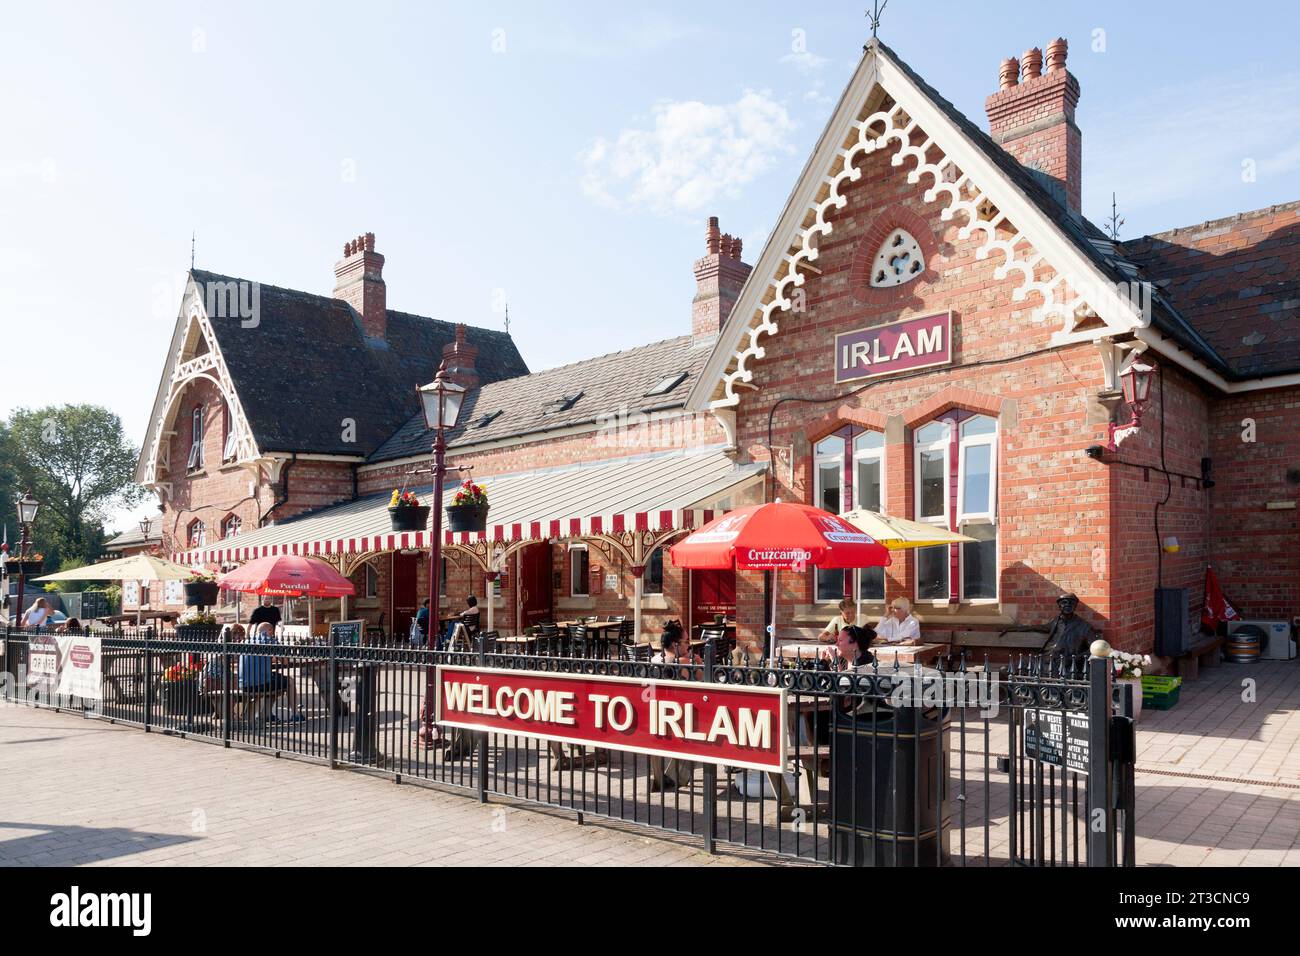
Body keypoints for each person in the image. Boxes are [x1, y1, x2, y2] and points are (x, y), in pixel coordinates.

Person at [238, 622, 303, 722]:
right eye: (272, 632)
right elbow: (285, 661)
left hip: (244, 684)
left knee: (274, 680)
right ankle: (295, 714)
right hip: (260, 684)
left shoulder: (247, 641)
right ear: (270, 631)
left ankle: (267, 714)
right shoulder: (270, 641)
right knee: (290, 681)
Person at [1040, 593, 1093, 660]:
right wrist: (1023, 628)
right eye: (1064, 602)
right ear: (1059, 606)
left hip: (1068, 664)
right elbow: (1040, 627)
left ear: (1075, 606)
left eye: (1071, 603)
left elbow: (1094, 649)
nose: (1067, 605)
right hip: (1049, 659)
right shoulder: (1056, 621)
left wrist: (1075, 659)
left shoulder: (1084, 626)